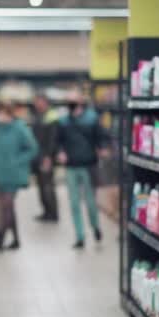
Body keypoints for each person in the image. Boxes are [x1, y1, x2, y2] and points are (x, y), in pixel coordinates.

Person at [57, 93, 109, 249]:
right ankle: (79, 236)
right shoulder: (63, 121)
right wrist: (60, 151)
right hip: (71, 166)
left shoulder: (92, 119)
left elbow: (102, 137)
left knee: (91, 202)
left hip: (88, 165)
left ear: (81, 102)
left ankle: (95, 227)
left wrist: (102, 148)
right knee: (74, 203)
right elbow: (58, 140)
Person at [0, 100, 38, 250]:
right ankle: (16, 240)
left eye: (0, 113)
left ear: (8, 113)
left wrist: (17, 161)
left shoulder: (20, 128)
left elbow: (33, 148)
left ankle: (1, 238)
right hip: (1, 174)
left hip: (14, 174)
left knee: (7, 205)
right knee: (8, 208)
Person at [31, 95, 60, 222]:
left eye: (39, 102)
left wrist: (48, 157)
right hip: (38, 156)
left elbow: (52, 139)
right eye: (36, 102)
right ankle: (46, 212)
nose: (37, 104)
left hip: (46, 157)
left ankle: (53, 213)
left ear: (45, 102)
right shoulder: (38, 115)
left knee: (47, 186)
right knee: (42, 186)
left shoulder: (51, 116)